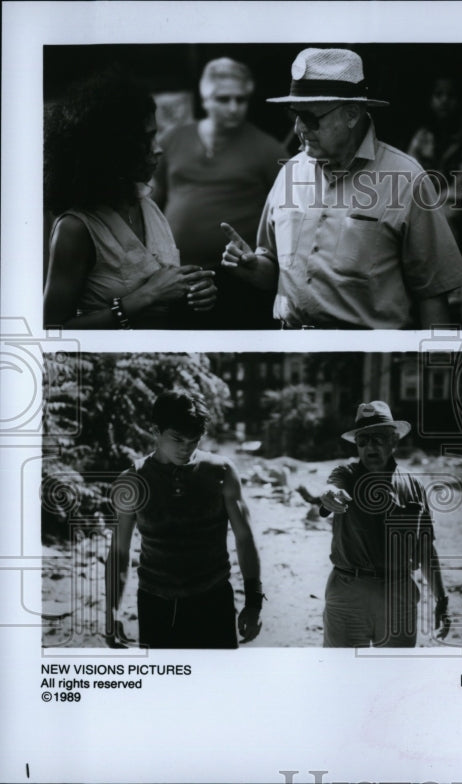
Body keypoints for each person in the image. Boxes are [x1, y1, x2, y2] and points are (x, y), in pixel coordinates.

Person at [221, 48, 462, 329]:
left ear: (352, 114)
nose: (300, 128)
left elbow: (433, 294)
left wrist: (436, 366)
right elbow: (274, 267)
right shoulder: (290, 172)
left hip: (368, 360)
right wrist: (254, 266)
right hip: (294, 350)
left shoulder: (406, 178)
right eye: (294, 115)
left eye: (311, 118)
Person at [44, 70, 217, 329]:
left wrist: (195, 293)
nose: (158, 148)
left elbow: (164, 289)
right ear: (113, 148)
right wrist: (145, 297)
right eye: (145, 138)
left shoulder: (147, 204)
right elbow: (51, 331)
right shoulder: (76, 228)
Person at [104, 390, 263, 648]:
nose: (185, 448)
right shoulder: (133, 480)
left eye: (194, 440)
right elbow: (120, 551)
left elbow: (244, 538)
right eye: (177, 439)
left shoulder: (221, 471)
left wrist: (254, 601)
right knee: (165, 686)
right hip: (156, 604)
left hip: (213, 601)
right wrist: (111, 611)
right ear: (155, 430)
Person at [152, 58, 286, 329]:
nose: (234, 108)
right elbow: (150, 202)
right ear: (206, 99)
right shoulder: (172, 139)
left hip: (236, 280)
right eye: (224, 99)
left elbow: (289, 217)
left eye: (241, 99)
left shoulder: (268, 149)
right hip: (174, 273)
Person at [318, 401, 451, 647]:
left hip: (398, 596)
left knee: (395, 679)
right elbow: (331, 487)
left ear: (393, 441)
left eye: (378, 438)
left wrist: (441, 599)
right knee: (340, 677)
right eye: (363, 440)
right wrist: (329, 495)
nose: (370, 446)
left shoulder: (413, 486)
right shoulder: (346, 474)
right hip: (348, 592)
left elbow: (425, 549)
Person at [407, 75, 462, 251]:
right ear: (430, 100)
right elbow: (409, 175)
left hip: (459, 208)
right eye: (438, 95)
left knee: (443, 223)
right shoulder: (423, 136)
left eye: (451, 96)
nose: (444, 101)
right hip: (425, 204)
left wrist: (434, 208)